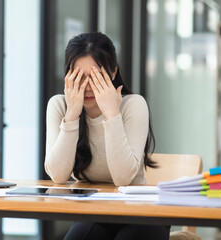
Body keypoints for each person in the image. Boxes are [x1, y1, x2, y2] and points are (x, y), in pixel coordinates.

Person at [45, 32, 169, 240]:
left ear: (113, 73)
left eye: (95, 76)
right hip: (93, 211)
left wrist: (112, 115)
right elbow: (58, 175)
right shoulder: (59, 106)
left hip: (141, 212)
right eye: (78, 77)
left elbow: (122, 179)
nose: (87, 86)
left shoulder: (133, 105)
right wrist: (72, 115)